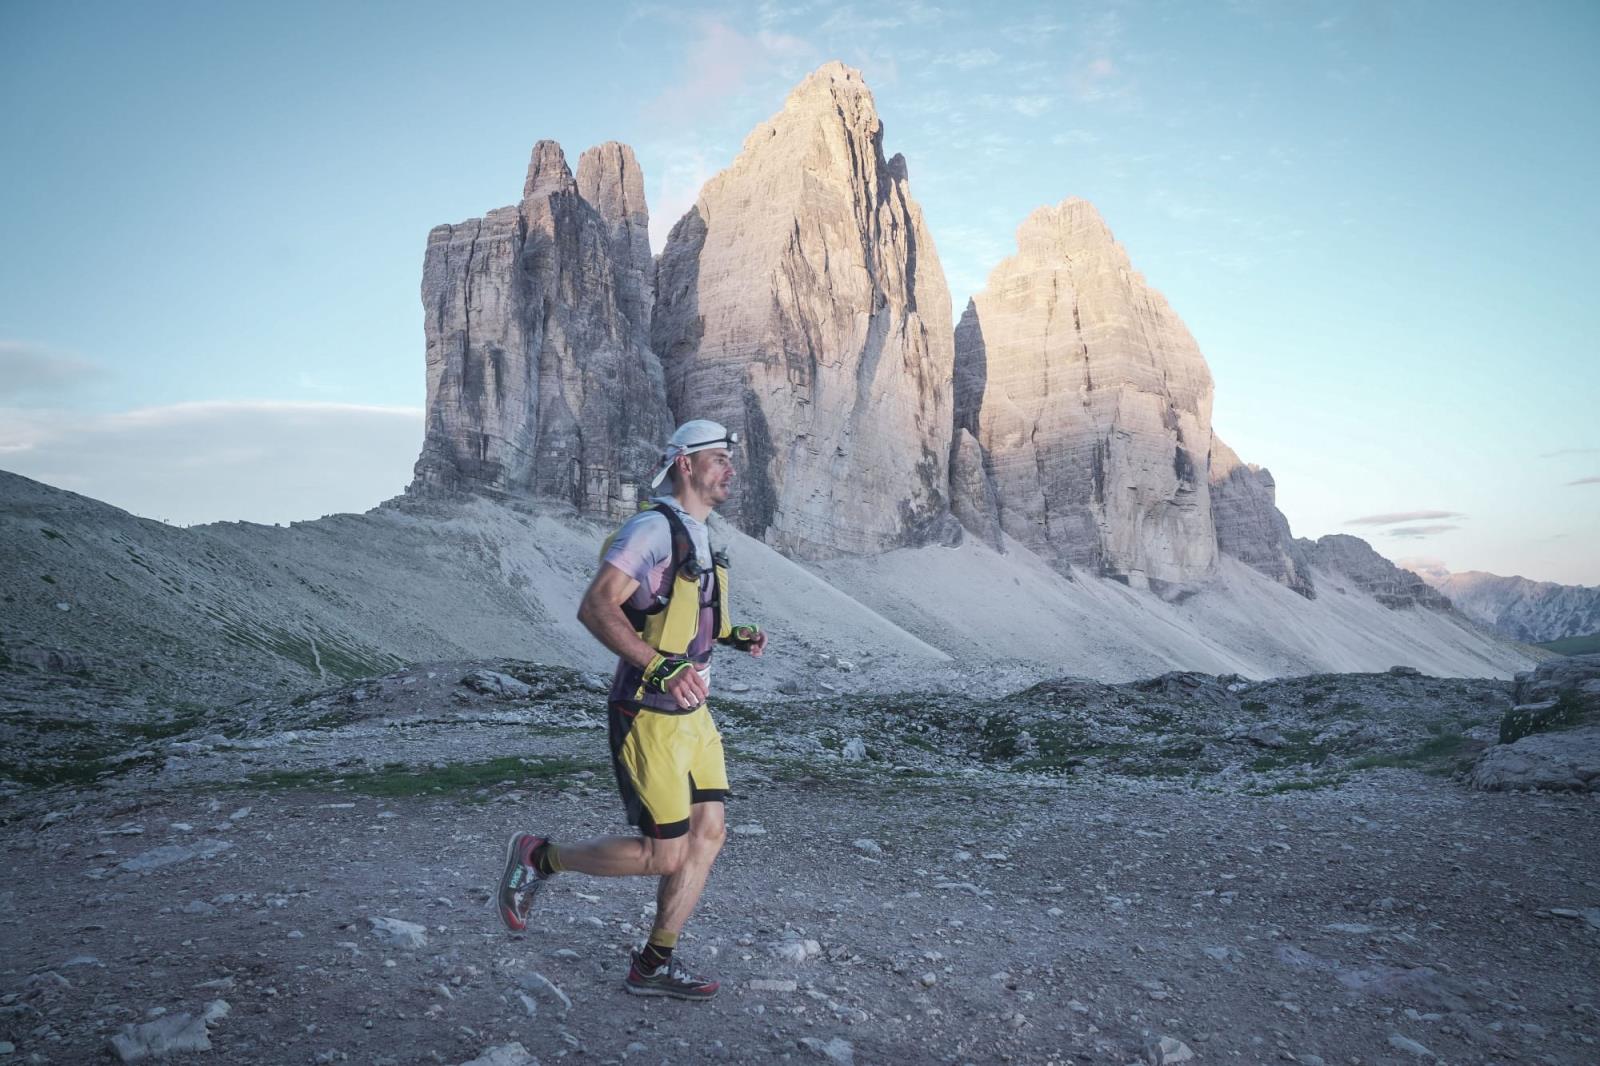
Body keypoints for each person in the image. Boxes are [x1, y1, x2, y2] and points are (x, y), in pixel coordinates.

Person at [494, 419, 768, 1000]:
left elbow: (681, 613)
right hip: (648, 712)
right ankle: (540, 858)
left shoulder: (700, 533)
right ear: (686, 464)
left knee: (709, 832)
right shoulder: (652, 528)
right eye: (719, 459)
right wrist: (657, 664)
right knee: (663, 855)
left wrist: (732, 634)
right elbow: (597, 607)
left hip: (695, 716)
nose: (730, 470)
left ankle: (653, 963)